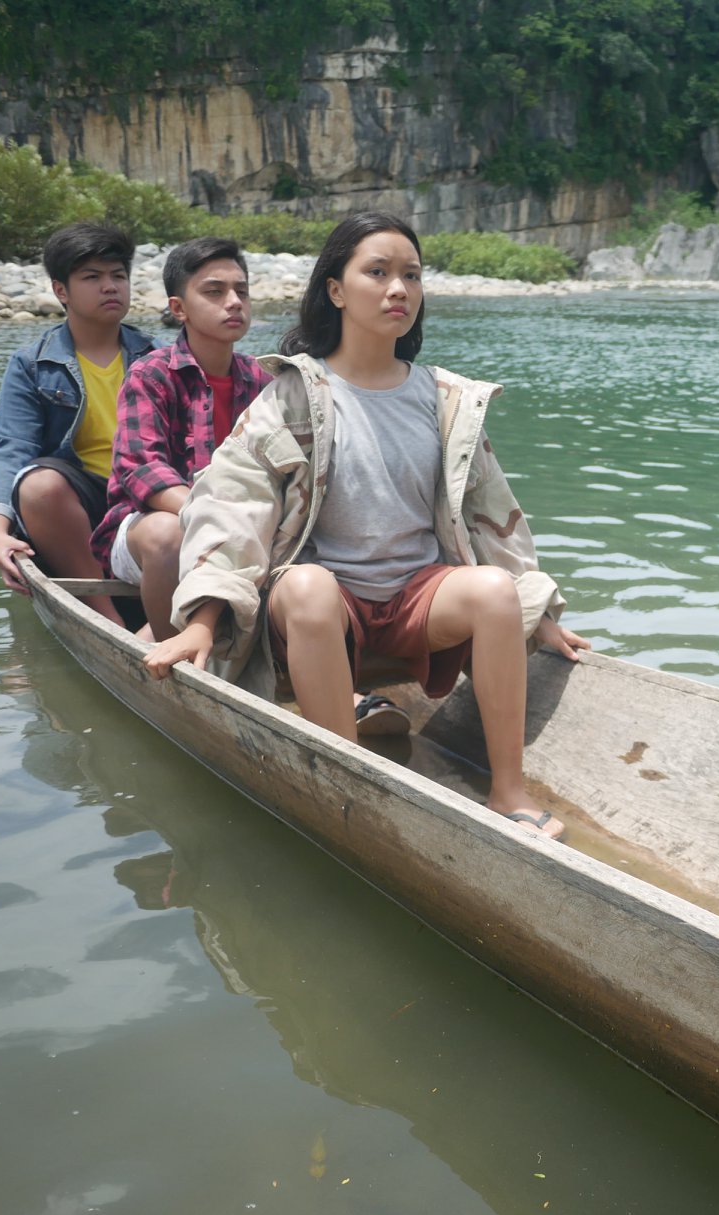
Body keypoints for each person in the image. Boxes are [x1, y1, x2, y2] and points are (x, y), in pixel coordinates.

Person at [143, 211, 588, 838]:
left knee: (493, 590)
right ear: (335, 289)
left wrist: (538, 611)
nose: (397, 289)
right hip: (325, 605)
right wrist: (203, 622)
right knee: (305, 586)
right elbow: (232, 506)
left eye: (411, 274)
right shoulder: (295, 394)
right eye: (376, 272)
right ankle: (345, 787)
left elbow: (491, 513)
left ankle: (506, 792)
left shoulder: (445, 399)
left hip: (417, 597)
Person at [91, 237, 268, 642]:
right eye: (214, 292)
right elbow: (141, 470)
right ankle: (172, 649)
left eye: (241, 291)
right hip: (148, 528)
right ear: (178, 309)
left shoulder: (263, 380)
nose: (234, 302)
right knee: (167, 534)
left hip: (239, 525)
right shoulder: (151, 374)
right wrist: (211, 516)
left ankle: (161, 640)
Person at [0, 222, 155, 624]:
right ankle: (104, 615)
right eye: (92, 277)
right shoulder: (33, 365)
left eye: (118, 276)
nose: (110, 287)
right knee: (39, 484)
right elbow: (13, 449)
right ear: (61, 291)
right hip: (80, 505)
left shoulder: (158, 357)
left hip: (145, 493)